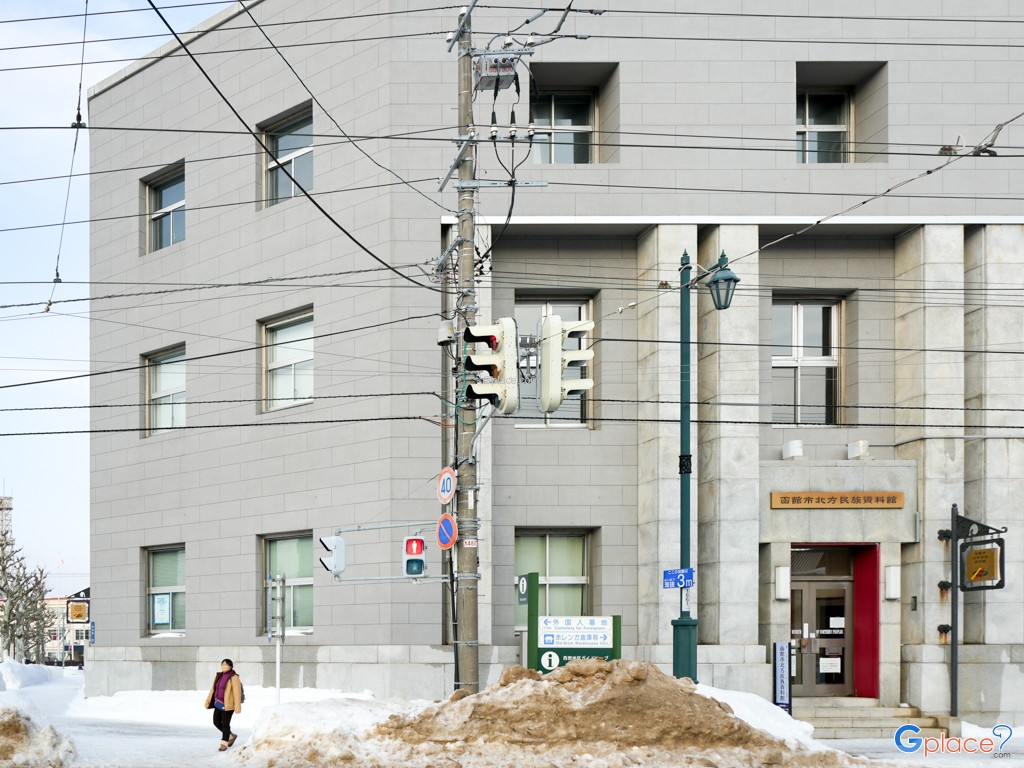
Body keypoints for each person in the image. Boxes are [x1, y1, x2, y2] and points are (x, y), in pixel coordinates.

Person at [204, 658, 243, 751]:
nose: (224, 666)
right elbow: (213, 690)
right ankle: (231, 735)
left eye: (226, 664)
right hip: (218, 703)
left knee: (225, 724)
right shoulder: (219, 675)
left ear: (230, 666)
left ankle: (224, 743)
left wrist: (237, 707)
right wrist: (208, 701)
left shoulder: (234, 677)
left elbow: (237, 693)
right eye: (222, 664)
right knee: (216, 722)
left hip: (228, 705)